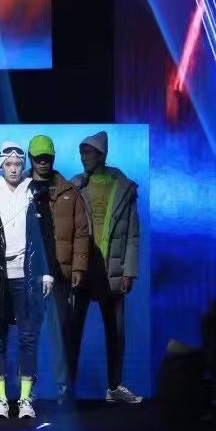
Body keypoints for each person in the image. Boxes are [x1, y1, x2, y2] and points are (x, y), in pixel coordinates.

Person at [0, 141, 53, 419]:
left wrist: (47, 272)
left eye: (18, 164)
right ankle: (1, 399)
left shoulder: (34, 192)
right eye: (8, 164)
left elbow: (46, 235)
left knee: (28, 337)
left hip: (27, 275)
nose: (14, 169)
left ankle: (25, 399)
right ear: (1, 166)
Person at [69, 131, 144, 404]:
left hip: (112, 268)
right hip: (82, 268)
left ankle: (114, 387)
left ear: (101, 155)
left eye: (88, 152)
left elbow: (133, 233)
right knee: (72, 330)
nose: (83, 157)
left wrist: (129, 271)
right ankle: (68, 388)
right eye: (81, 152)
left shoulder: (123, 187)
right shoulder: (75, 185)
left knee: (116, 332)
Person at [28, 135, 89, 398]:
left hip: (60, 273)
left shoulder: (69, 191)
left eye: (47, 157)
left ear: (53, 158)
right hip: (29, 273)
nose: (43, 162)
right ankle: (27, 387)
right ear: (30, 158)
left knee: (62, 330)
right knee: (28, 332)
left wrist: (79, 268)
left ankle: (64, 385)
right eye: (38, 158)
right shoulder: (19, 189)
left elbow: (82, 232)